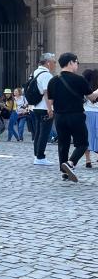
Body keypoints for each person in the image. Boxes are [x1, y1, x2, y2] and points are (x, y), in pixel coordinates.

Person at [47, 53, 98, 182]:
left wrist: (50, 111)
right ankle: (70, 164)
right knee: (82, 143)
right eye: (76, 62)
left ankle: (64, 172)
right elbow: (92, 97)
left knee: (63, 144)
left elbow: (50, 101)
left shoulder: (53, 81)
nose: (77, 65)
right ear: (70, 62)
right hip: (76, 116)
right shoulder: (79, 79)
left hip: (59, 117)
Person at [28, 52, 57, 166]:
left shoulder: (34, 72)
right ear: (48, 63)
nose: (55, 64)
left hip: (35, 107)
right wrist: (50, 109)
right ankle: (40, 157)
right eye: (54, 62)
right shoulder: (46, 75)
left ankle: (37, 155)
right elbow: (47, 93)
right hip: (44, 108)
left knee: (38, 133)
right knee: (44, 133)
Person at [84, 68, 98, 165]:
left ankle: (88, 160)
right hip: (97, 112)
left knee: (87, 136)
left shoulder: (84, 88)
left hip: (86, 112)